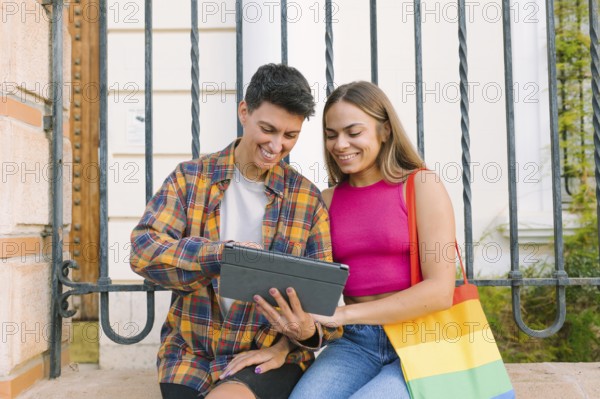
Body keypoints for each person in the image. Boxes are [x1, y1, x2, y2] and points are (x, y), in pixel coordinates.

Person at [129, 63, 342, 399]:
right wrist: (222, 256)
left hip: (267, 356)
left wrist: (298, 334)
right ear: (244, 112)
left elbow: (324, 312)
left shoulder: (306, 199)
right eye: (268, 129)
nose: (276, 145)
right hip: (190, 355)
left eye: (290, 136)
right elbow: (144, 250)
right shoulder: (190, 179)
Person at [256, 81, 458, 398]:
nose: (340, 144)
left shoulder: (421, 185)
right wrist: (284, 346)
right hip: (356, 342)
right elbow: (311, 288)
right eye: (331, 134)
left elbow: (440, 291)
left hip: (424, 336)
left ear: (385, 130)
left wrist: (344, 314)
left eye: (353, 132)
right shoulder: (326, 200)